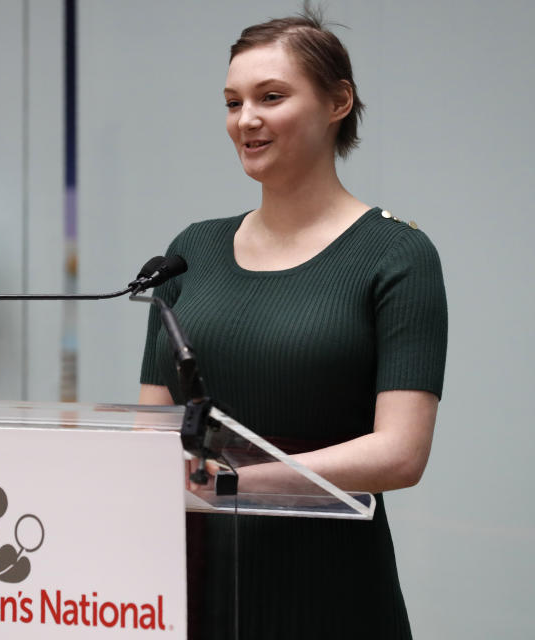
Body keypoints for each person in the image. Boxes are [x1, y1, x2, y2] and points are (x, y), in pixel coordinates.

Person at [139, 8, 447, 639]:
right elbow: (151, 431)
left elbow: (401, 453)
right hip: (194, 586)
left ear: (339, 102)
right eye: (232, 102)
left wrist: (231, 485)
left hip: (332, 592)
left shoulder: (396, 254)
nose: (245, 120)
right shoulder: (189, 251)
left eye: (270, 97)